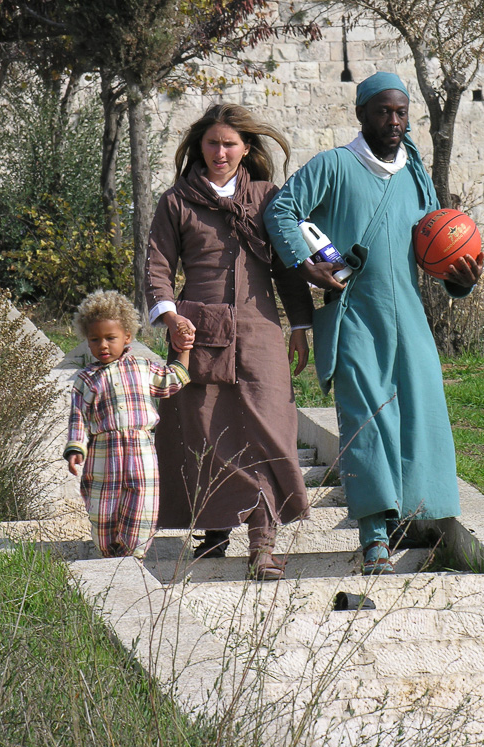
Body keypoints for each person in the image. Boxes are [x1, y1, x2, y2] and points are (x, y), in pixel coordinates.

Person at [264, 72, 484, 576]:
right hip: (354, 316)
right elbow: (282, 209)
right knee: (366, 422)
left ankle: (415, 516)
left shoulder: (416, 174)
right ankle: (374, 537)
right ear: (362, 114)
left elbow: (434, 251)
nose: (394, 120)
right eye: (384, 111)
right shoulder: (335, 165)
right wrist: (305, 263)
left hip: (409, 316)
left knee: (420, 416)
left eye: (401, 112)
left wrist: (462, 280)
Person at [144, 103, 313, 580]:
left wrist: (301, 325)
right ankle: (215, 529)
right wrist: (171, 316)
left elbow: (288, 265)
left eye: (230, 144)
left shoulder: (268, 198)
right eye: (213, 143)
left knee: (269, 430)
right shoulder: (176, 201)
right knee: (205, 430)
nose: (220, 152)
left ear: (246, 148)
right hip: (197, 331)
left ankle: (264, 543)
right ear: (200, 145)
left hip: (261, 329)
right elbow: (157, 266)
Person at [64, 290, 192, 558]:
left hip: (141, 452)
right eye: (95, 339)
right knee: (102, 512)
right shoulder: (86, 379)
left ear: (127, 337)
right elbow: (78, 416)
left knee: (142, 508)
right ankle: (109, 555)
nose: (103, 345)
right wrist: (76, 448)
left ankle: (132, 555)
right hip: (102, 456)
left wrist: (185, 350)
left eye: (111, 338)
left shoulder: (142, 367)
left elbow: (172, 380)